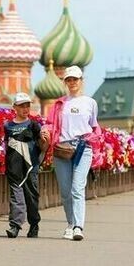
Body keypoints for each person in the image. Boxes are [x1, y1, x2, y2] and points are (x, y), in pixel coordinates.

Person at [45, 65, 102, 241]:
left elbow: (94, 125)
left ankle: (78, 226)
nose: (72, 83)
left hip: (83, 147)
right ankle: (70, 223)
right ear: (65, 82)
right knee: (64, 190)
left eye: (75, 79)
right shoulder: (60, 103)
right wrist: (45, 131)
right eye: (68, 80)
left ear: (81, 81)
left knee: (78, 187)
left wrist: (92, 139)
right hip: (62, 149)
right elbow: (50, 123)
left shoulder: (90, 103)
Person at [4, 93, 49, 238]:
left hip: (31, 167)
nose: (25, 108)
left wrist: (45, 140)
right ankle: (15, 226)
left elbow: (42, 147)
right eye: (21, 106)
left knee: (31, 196)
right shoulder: (8, 126)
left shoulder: (34, 125)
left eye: (27, 105)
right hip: (14, 167)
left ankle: (34, 224)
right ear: (14, 108)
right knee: (16, 196)